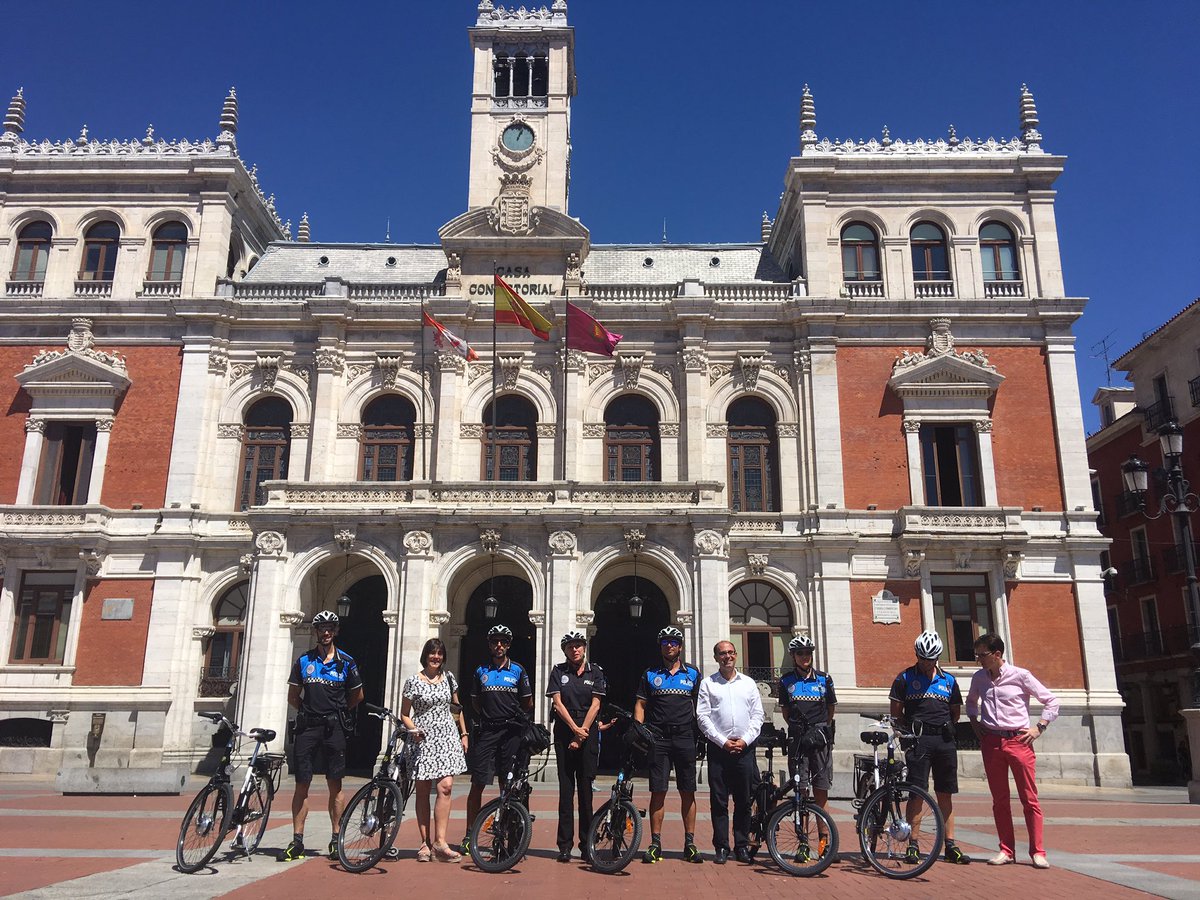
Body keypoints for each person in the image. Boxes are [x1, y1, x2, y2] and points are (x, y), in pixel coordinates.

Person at [966, 632, 1060, 869]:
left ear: (997, 654)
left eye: (982, 655)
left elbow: (1051, 701)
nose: (979, 660)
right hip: (992, 743)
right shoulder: (979, 678)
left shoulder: (1021, 676)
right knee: (1000, 800)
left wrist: (1039, 728)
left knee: (1029, 798)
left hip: (1019, 741)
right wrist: (975, 723)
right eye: (976, 655)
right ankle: (1006, 850)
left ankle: (1037, 851)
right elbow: (970, 701)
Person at [281, 610, 363, 861]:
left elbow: (357, 696)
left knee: (335, 784)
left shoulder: (346, 662)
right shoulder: (304, 661)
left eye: (330, 628)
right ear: (316, 632)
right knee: (302, 783)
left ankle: (335, 837)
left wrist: (336, 713)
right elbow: (293, 696)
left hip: (333, 728)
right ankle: (297, 840)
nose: (326, 632)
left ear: (336, 631)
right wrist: (310, 712)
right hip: (308, 728)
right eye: (321, 628)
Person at [888, 631, 970, 865]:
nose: (927, 663)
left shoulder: (949, 681)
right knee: (917, 793)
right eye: (923, 658)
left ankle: (950, 845)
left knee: (945, 793)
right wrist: (907, 737)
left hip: (943, 741)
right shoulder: (904, 678)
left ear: (938, 657)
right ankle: (912, 845)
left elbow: (955, 713)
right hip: (918, 741)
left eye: (931, 659)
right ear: (917, 655)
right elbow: (896, 713)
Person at [462, 623, 533, 853]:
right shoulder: (480, 671)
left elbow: (527, 702)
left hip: (511, 732)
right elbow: (474, 701)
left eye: (503, 641)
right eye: (495, 641)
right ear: (490, 645)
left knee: (507, 784)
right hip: (488, 731)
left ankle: (507, 834)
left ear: (509, 645)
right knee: (478, 783)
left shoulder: (518, 670)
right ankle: (469, 834)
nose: (499, 645)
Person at [635, 625, 703, 864]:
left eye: (673, 642)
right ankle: (655, 843)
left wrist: (701, 734)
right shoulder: (650, 674)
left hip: (685, 737)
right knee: (658, 791)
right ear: (660, 646)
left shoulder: (693, 674)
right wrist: (639, 730)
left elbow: (701, 707)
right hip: (659, 738)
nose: (669, 645)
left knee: (688, 791)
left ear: (680, 646)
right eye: (665, 642)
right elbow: (641, 705)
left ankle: (690, 843)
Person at [401, 638, 469, 862]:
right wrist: (413, 729)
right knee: (422, 790)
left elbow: (457, 708)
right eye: (432, 653)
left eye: (439, 654)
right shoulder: (413, 681)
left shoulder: (449, 678)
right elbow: (404, 714)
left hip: (447, 736)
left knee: (446, 787)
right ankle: (424, 843)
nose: (436, 657)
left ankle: (440, 842)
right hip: (423, 739)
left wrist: (464, 734)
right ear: (425, 655)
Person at [696, 640, 763, 865]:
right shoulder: (708, 684)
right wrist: (723, 741)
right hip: (719, 750)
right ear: (716, 658)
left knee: (744, 801)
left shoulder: (749, 684)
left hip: (745, 750)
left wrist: (744, 740)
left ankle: (741, 846)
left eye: (730, 653)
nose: (727, 657)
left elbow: (758, 715)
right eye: (722, 654)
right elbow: (703, 717)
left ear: (736, 655)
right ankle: (721, 847)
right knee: (719, 801)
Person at [546, 629, 607, 863]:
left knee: (585, 793)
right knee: (565, 793)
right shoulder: (558, 671)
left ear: (584, 648)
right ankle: (564, 845)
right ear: (565, 650)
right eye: (570, 646)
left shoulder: (596, 672)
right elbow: (558, 704)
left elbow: (596, 704)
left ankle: (586, 844)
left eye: (579, 645)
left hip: (587, 733)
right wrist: (574, 729)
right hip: (565, 731)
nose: (575, 649)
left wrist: (582, 734)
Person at [776, 634, 835, 861]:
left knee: (821, 791)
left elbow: (830, 709)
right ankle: (802, 842)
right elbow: (786, 713)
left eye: (808, 653)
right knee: (801, 792)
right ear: (793, 656)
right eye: (800, 653)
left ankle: (824, 842)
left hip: (820, 739)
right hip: (799, 740)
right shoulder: (786, 681)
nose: (805, 657)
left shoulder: (824, 679)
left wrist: (821, 729)